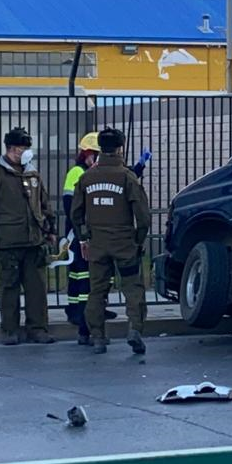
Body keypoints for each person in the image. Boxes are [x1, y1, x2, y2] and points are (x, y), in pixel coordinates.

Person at [70, 127, 152, 355]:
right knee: (133, 289)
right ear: (120, 148)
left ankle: (97, 337)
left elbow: (75, 213)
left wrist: (84, 237)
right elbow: (143, 216)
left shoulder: (87, 178)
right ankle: (134, 329)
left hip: (97, 245)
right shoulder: (127, 177)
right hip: (124, 243)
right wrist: (137, 239)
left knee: (97, 291)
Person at [0, 127, 57, 346]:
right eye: (22, 149)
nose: (25, 153)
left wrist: (50, 229)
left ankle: (38, 328)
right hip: (8, 241)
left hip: (34, 240)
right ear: (12, 149)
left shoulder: (32, 173)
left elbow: (44, 203)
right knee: (9, 287)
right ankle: (10, 329)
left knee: (37, 289)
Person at [62, 132, 114, 345]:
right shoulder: (77, 172)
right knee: (82, 278)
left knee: (91, 279)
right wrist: (81, 233)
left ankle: (88, 314)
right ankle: (81, 316)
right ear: (87, 155)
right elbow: (70, 206)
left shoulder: (95, 173)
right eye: (96, 155)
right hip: (80, 234)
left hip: (92, 234)